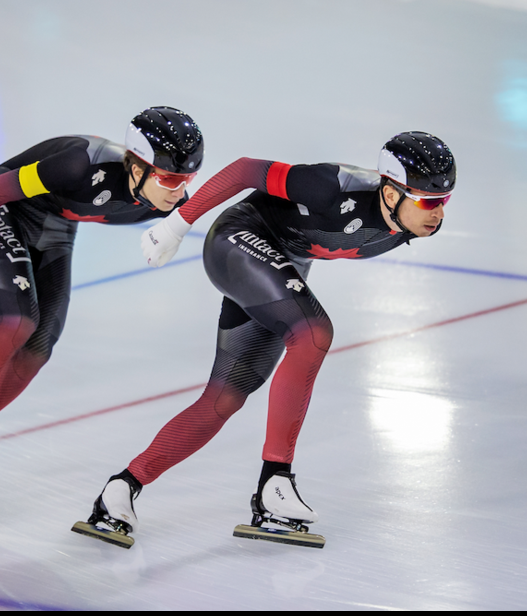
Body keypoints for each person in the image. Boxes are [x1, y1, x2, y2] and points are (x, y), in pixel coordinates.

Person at [74, 132, 456, 548]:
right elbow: (243, 170)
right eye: (427, 200)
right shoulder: (332, 186)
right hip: (238, 241)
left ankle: (122, 488)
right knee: (313, 334)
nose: (437, 213)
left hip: (281, 263)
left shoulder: (409, 220)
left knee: (225, 398)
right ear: (388, 191)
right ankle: (275, 481)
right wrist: (176, 225)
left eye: (443, 201)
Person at [0, 107, 205, 512]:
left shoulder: (170, 203)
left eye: (188, 179)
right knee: (17, 322)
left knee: (39, 348)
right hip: (3, 208)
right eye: (169, 178)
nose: (179, 190)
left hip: (55, 225)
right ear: (135, 168)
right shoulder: (80, 165)